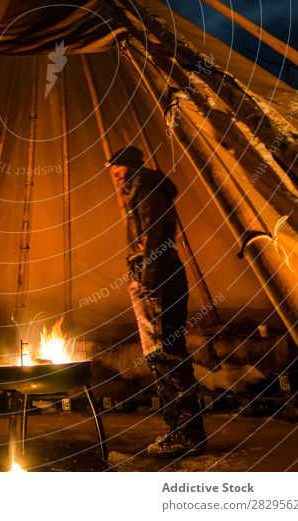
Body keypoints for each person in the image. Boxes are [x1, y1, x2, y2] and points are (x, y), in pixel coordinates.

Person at [107, 145, 207, 457]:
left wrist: (148, 281)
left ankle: (188, 433)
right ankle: (179, 429)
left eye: (121, 172)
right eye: (113, 174)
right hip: (152, 277)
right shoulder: (139, 190)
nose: (117, 179)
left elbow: (152, 236)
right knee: (160, 355)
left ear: (134, 169)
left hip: (158, 278)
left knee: (168, 354)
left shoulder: (147, 189)